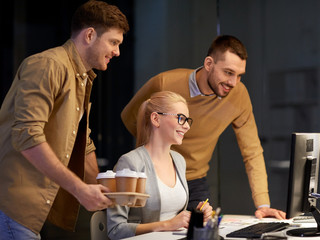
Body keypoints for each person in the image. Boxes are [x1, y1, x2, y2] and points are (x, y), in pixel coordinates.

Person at [0, 1, 129, 239]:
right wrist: (80, 189)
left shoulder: (82, 76)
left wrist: (110, 194)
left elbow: (83, 142)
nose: (117, 52)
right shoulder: (47, 65)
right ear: (90, 35)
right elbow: (27, 135)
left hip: (38, 208)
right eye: (113, 42)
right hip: (15, 206)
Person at [121, 35, 286, 220]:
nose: (234, 82)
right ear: (209, 64)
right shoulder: (165, 83)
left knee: (204, 232)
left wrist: (263, 204)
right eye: (228, 72)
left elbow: (252, 151)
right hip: (156, 177)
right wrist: (158, 153)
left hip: (195, 181)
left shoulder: (239, 95)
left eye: (239, 75)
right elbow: (130, 118)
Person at [107, 91, 213, 239]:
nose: (187, 126)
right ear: (156, 119)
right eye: (181, 118)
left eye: (187, 120)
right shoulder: (130, 163)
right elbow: (116, 230)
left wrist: (197, 214)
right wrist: (167, 224)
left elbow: (176, 218)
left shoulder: (179, 160)